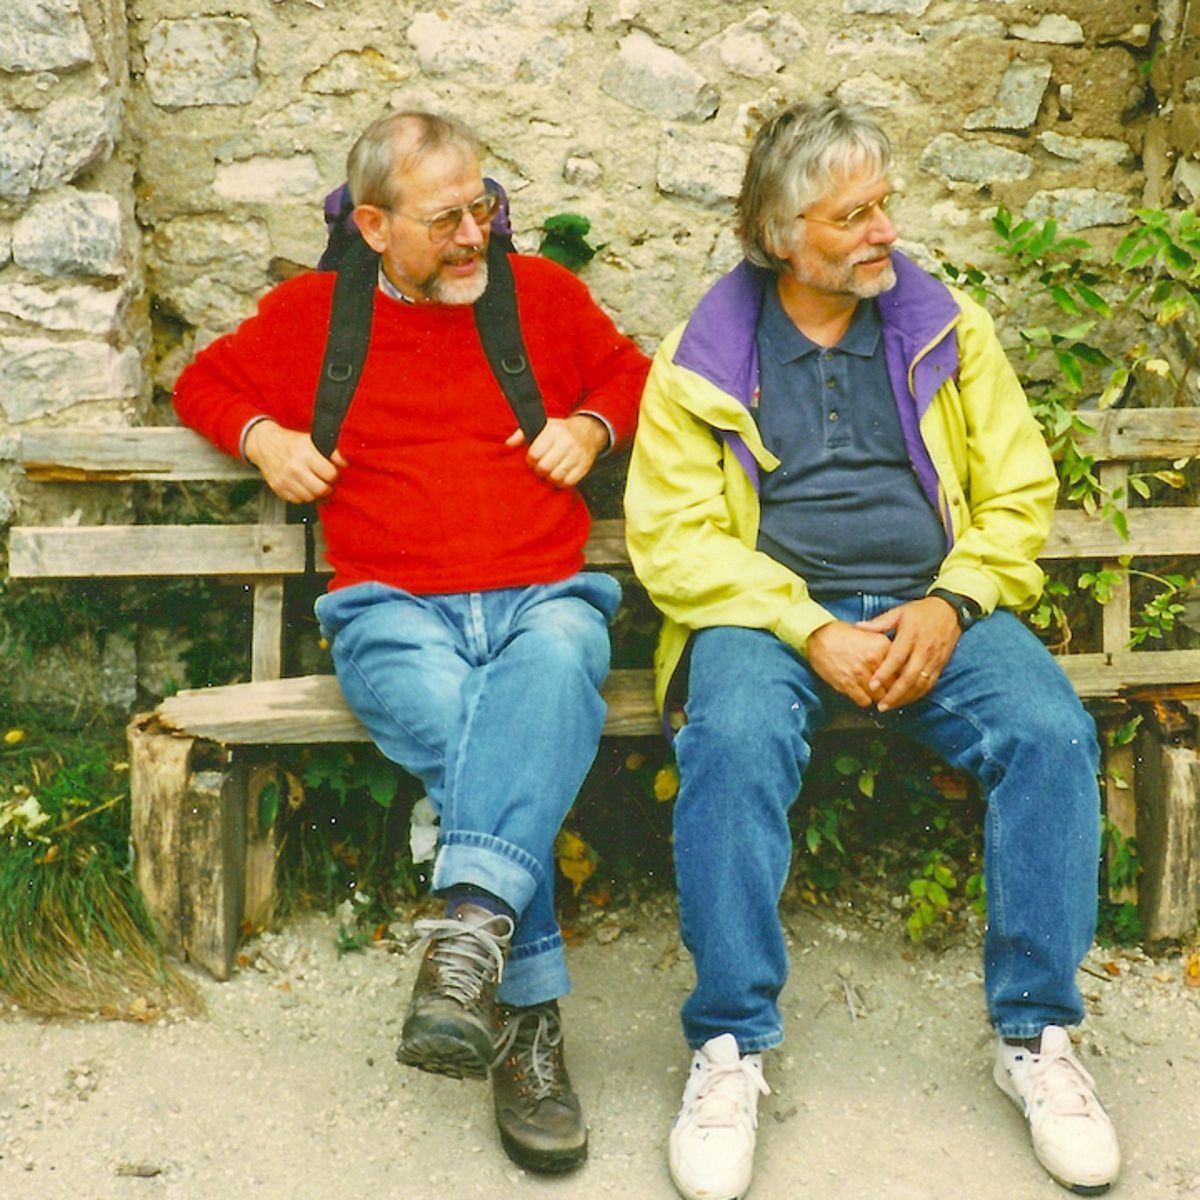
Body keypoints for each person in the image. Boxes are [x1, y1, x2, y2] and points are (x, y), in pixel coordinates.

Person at [624, 97, 1120, 1200]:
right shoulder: (703, 356)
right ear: (780, 236)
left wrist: (953, 601)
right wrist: (808, 626)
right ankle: (729, 1046)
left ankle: (1037, 1037)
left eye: (884, 204)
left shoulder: (946, 327)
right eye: (853, 216)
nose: (885, 231)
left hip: (931, 599)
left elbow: (1018, 491)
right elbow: (673, 540)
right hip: (769, 613)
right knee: (733, 739)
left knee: (1049, 734)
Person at [174, 110, 648, 1174]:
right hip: (392, 611)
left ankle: (472, 944)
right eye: (445, 220)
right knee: (485, 728)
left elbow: (632, 374)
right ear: (374, 226)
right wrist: (262, 435)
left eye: (482, 206)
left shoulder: (544, 298)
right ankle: (523, 1013)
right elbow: (202, 381)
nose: (475, 234)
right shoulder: (314, 317)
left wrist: (591, 426)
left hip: (542, 600)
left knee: (556, 665)